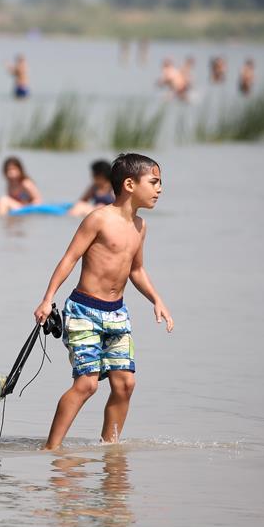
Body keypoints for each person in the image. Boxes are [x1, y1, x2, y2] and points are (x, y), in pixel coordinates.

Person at [33, 153, 174, 450]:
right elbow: (69, 259)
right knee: (87, 384)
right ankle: (52, 449)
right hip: (84, 310)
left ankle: (109, 450)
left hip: (117, 313)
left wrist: (156, 300)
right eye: (154, 182)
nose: (160, 188)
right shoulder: (98, 218)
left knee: (125, 384)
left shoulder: (140, 226)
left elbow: (136, 269)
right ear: (130, 184)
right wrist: (48, 300)